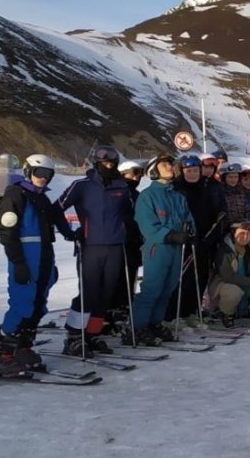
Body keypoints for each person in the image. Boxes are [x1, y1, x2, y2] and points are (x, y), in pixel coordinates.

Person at [0, 155, 77, 376]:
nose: (43, 179)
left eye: (48, 175)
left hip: (44, 257)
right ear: (28, 172)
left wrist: (69, 236)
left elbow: (54, 222)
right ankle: (3, 355)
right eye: (39, 173)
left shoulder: (42, 199)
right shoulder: (16, 194)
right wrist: (18, 262)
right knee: (22, 304)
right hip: (26, 258)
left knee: (38, 305)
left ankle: (23, 347)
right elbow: (7, 230)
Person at [57, 145, 134, 356]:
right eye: (104, 162)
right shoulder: (82, 185)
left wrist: (128, 234)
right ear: (96, 163)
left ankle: (92, 334)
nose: (108, 165)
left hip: (115, 246)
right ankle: (74, 336)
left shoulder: (121, 186)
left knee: (106, 294)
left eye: (111, 163)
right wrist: (70, 232)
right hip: (91, 247)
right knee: (88, 293)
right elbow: (57, 209)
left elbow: (128, 214)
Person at [125, 154, 195, 347]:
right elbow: (147, 226)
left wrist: (190, 231)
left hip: (176, 248)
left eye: (171, 164)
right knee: (152, 289)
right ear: (154, 170)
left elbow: (187, 217)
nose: (171, 167)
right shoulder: (147, 196)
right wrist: (170, 235)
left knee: (167, 289)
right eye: (165, 164)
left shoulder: (177, 195)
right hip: (158, 248)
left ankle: (154, 323)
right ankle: (136, 327)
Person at [169, 154, 224, 324]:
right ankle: (176, 312)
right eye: (189, 171)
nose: (192, 174)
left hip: (204, 239)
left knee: (200, 276)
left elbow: (212, 212)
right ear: (183, 171)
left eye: (195, 170)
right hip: (184, 240)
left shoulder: (204, 187)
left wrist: (214, 232)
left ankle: (193, 310)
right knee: (183, 278)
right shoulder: (177, 188)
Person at [208, 220, 250, 328]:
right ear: (233, 233)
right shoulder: (224, 249)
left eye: (248, 234)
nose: (245, 237)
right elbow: (227, 276)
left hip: (245, 283)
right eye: (241, 233)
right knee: (234, 291)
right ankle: (226, 313)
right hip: (223, 285)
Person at [109, 159, 145, 325]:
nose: (137, 178)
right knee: (117, 276)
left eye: (139, 173)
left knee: (130, 274)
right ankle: (113, 310)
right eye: (134, 173)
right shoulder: (115, 191)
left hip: (134, 241)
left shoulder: (137, 195)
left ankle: (125, 306)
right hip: (118, 240)